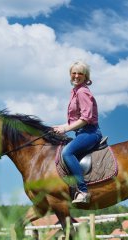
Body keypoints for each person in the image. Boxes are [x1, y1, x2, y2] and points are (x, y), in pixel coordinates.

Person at [53, 61, 102, 204]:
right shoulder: (74, 92)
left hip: (90, 132)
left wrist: (66, 129)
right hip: (80, 132)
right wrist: (59, 127)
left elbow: (86, 119)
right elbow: (74, 120)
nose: (76, 76)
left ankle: (83, 191)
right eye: (74, 73)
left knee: (67, 153)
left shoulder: (82, 92)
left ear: (85, 76)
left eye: (80, 73)